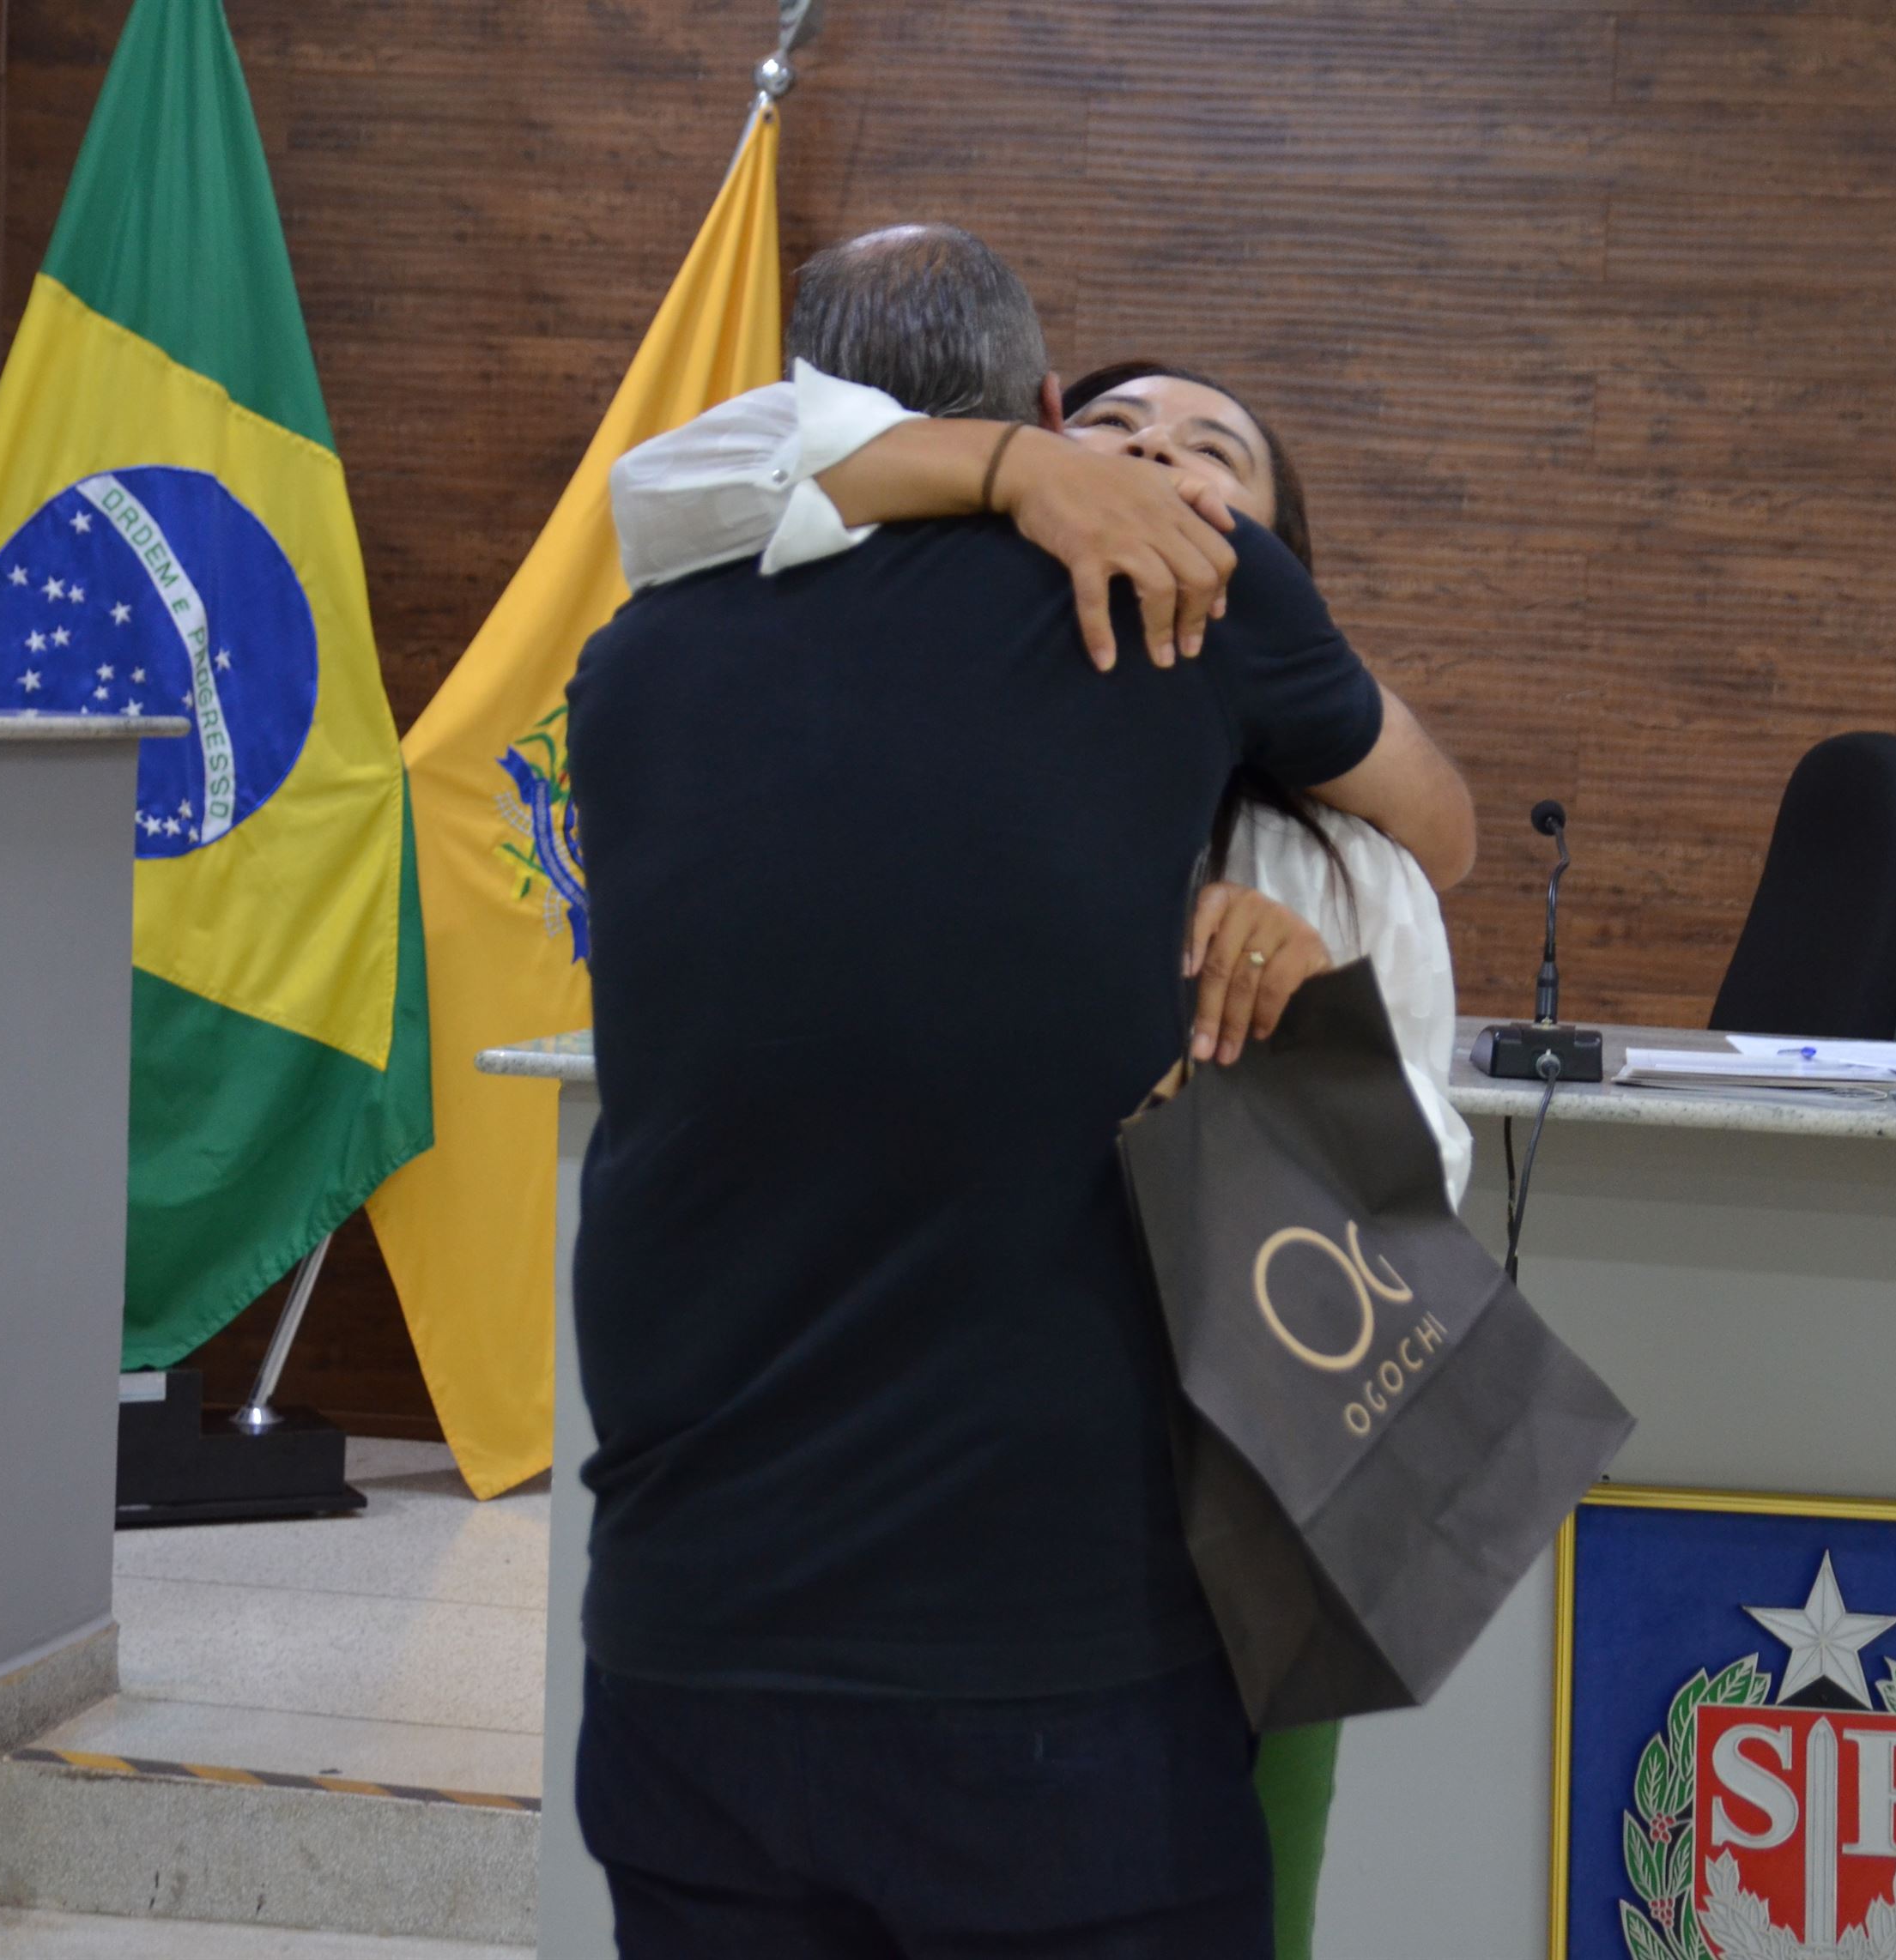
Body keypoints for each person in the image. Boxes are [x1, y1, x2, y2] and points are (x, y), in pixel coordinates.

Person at [565, 222, 1475, 1958]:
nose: (1150, 476)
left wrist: (1291, 965)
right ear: (1048, 418)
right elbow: (1441, 813)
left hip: (691, 1633)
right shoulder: (1176, 608)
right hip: (1057, 1660)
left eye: (1204, 450)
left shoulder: (632, 660)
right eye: (1114, 438)